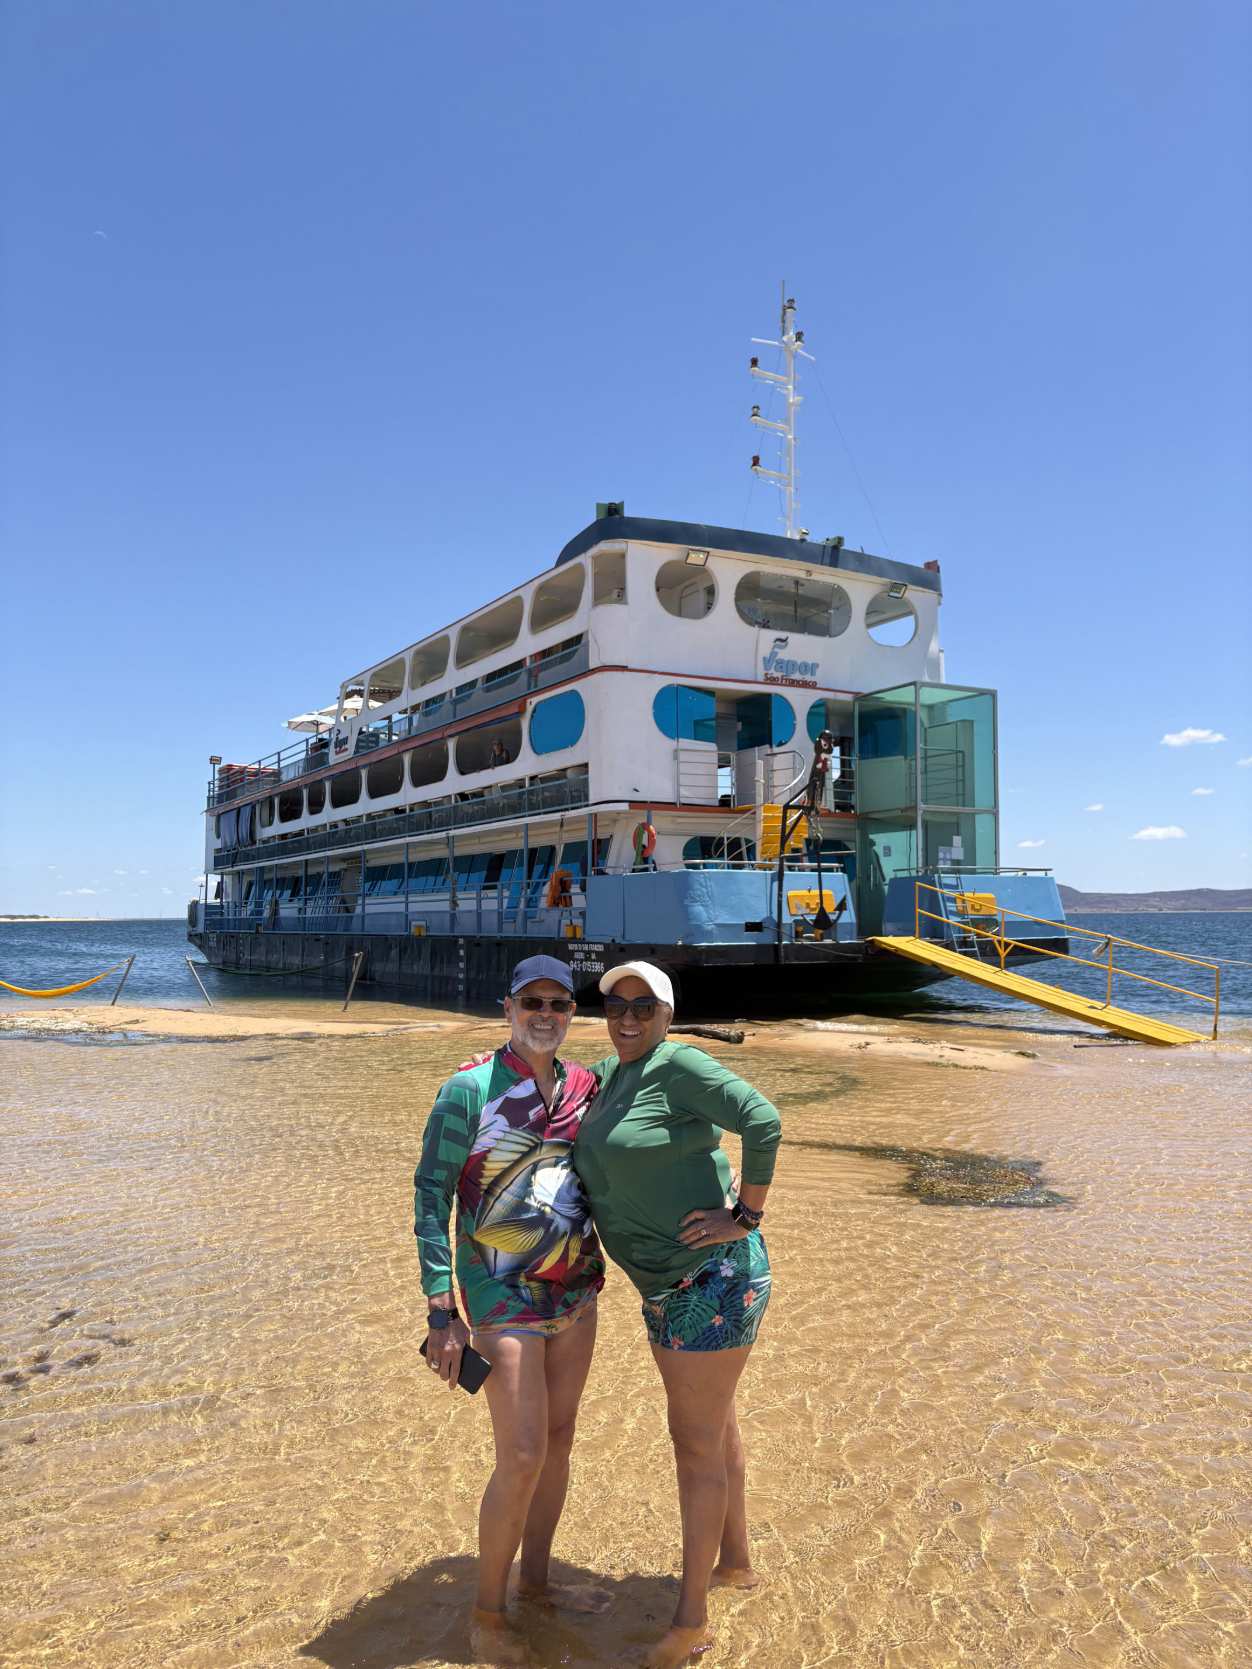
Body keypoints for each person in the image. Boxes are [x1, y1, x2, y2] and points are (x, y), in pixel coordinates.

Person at [573, 961, 780, 1669]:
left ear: (667, 1012)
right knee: (714, 1429)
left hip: (711, 1279)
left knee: (693, 1445)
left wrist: (744, 1214)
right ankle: (736, 1563)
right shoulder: (610, 1073)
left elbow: (763, 1118)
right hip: (669, 1285)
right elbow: (554, 1095)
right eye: (616, 1005)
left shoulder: (678, 1062)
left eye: (643, 1006)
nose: (628, 1018)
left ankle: (691, 1622)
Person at [413, 955, 608, 1664]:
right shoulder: (467, 1089)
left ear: (571, 1012)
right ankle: (486, 1613)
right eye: (533, 1001)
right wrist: (442, 1308)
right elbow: (430, 1194)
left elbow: (643, 1128)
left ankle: (538, 1582)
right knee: (521, 1452)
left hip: (577, 1287)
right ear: (508, 1007)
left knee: (558, 1440)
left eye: (559, 1002)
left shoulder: (590, 1084)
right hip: (498, 1293)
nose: (546, 1013)